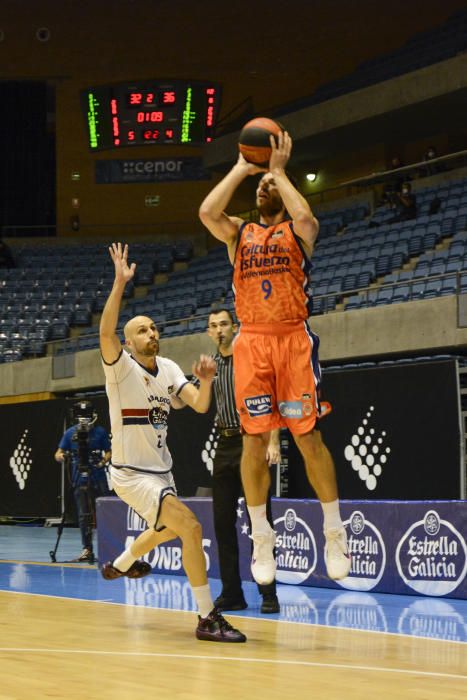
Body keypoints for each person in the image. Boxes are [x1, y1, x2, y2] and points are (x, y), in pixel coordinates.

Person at [199, 130, 351, 586]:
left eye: (271, 185)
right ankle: (262, 536)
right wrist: (244, 168)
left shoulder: (297, 231)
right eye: (260, 186)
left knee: (307, 441)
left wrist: (279, 172)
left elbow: (306, 217)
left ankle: (334, 531)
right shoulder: (239, 234)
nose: (264, 187)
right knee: (253, 442)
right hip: (253, 343)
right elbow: (207, 212)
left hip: (291, 342)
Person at [99, 242, 246, 643]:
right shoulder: (120, 367)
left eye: (153, 327)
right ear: (129, 343)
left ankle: (122, 562)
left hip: (162, 472)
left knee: (166, 530)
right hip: (131, 474)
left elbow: (198, 405)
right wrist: (119, 282)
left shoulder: (167, 368)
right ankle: (206, 617)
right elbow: (104, 331)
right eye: (142, 330)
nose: (151, 333)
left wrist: (210, 379)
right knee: (191, 527)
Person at [206, 307, 280, 613]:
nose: (220, 329)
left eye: (224, 323)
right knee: (222, 523)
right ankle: (232, 593)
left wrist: (273, 442)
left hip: (252, 440)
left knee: (259, 521)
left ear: (234, 327)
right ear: (209, 332)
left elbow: (270, 398)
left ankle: (268, 594)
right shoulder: (211, 366)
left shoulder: (249, 359)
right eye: (214, 325)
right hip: (224, 443)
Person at [54, 400, 112, 563]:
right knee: (83, 514)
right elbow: (58, 452)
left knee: (105, 510)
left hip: (98, 476)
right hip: (79, 477)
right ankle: (87, 549)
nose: (84, 420)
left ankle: (110, 546)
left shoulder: (100, 432)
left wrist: (102, 462)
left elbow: (109, 452)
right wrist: (61, 456)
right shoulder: (70, 433)